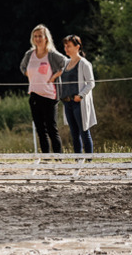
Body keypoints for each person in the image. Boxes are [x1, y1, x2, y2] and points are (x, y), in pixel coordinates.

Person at [20, 24, 67, 153]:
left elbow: (65, 63)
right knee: (41, 130)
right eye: (35, 36)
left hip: (49, 95)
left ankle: (58, 158)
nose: (38, 39)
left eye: (40, 36)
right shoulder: (29, 54)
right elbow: (22, 67)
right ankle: (46, 157)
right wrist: (29, 75)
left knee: (52, 129)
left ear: (46, 38)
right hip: (34, 94)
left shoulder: (52, 55)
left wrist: (55, 76)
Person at [59, 34, 97, 158]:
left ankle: (89, 160)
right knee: (74, 133)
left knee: (84, 131)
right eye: (65, 46)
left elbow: (91, 83)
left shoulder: (84, 64)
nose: (66, 48)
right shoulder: (65, 63)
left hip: (78, 103)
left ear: (77, 47)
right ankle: (78, 160)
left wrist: (80, 96)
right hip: (67, 102)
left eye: (69, 46)